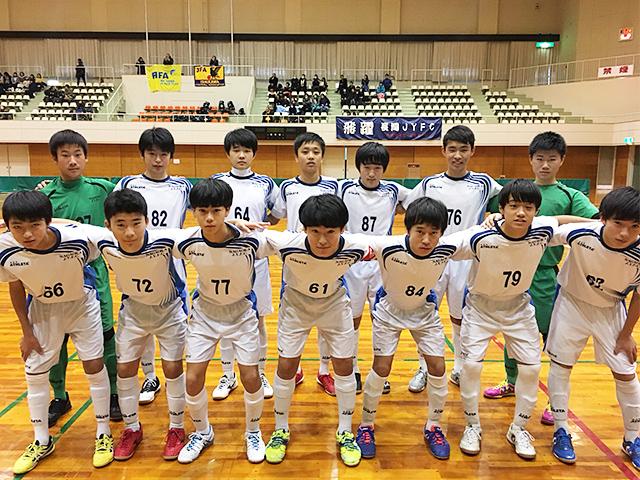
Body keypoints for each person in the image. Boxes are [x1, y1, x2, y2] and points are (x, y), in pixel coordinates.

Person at [449, 179, 585, 459]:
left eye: (528, 207)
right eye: (513, 206)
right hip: (480, 308)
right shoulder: (479, 235)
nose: (521, 212)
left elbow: (566, 223)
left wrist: (604, 224)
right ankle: (472, 426)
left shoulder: (542, 229)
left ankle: (518, 428)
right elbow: (442, 245)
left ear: (536, 211)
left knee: (532, 369)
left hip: (519, 308)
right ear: (501, 209)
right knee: (470, 367)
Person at [482, 132, 599, 425]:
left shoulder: (570, 196)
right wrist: (490, 218)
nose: (545, 164)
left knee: (551, 336)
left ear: (561, 160)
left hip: (546, 275)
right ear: (531, 159)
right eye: (540, 158)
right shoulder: (516, 191)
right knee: (512, 330)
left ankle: (554, 398)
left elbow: (597, 222)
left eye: (551, 159)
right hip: (512, 274)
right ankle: (511, 381)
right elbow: (494, 217)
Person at [2, 191, 114, 474]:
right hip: (42, 310)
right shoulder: (6, 248)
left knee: (94, 365)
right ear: (8, 226)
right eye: (17, 227)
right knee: (34, 372)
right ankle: (42, 440)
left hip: (82, 305)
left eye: (35, 225)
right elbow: (15, 287)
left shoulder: (79, 238)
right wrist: (26, 332)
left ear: (48, 221)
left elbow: (115, 235)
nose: (27, 234)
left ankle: (103, 432)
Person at [263, 194, 374, 467]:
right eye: (315, 232)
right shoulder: (286, 243)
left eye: (330, 232)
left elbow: (395, 244)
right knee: (286, 366)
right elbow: (242, 236)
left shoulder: (356, 246)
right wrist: (233, 222)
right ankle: (280, 429)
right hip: (295, 307)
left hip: (334, 306)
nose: (322, 240)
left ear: (342, 229)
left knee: (344, 366)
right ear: (303, 229)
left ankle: (345, 431)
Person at [79, 189, 188, 462]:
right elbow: (69, 226)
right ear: (108, 225)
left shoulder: (166, 240)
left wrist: (235, 224)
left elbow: (205, 233)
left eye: (136, 223)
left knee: (172, 368)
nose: (129, 232)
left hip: (169, 311)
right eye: (121, 224)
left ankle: (176, 428)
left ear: (146, 221)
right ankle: (132, 429)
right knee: (125, 369)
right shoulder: (104, 241)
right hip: (133, 312)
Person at [545, 187, 640, 470]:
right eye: (618, 223)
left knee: (626, 374)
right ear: (603, 219)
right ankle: (561, 430)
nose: (625, 233)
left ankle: (633, 438)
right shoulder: (582, 233)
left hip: (610, 309)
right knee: (561, 367)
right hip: (571, 304)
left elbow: (639, 295)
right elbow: (550, 226)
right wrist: (496, 220)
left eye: (635, 226)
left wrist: (626, 334)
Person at [173, 178, 266, 464]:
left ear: (227, 209)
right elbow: (146, 236)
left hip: (241, 313)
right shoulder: (186, 240)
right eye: (202, 211)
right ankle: (202, 432)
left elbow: (292, 241)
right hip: (205, 314)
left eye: (216, 210)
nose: (209, 218)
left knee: (251, 377)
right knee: (192, 378)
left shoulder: (251, 239)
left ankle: (253, 431)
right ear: (193, 212)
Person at [404, 125, 501, 392]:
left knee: (460, 317)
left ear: (472, 151)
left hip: (466, 259)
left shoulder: (485, 183)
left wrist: (496, 214)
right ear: (443, 151)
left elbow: (507, 201)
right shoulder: (429, 183)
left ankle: (458, 367)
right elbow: (409, 209)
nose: (457, 155)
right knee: (424, 312)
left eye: (463, 150)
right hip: (432, 256)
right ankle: (424, 367)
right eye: (452, 149)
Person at [355, 197, 453, 460]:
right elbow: (350, 240)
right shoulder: (387, 246)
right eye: (420, 231)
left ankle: (433, 426)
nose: (426, 239)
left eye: (433, 233)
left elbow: (480, 236)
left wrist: (495, 219)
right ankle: (366, 424)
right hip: (389, 311)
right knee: (382, 367)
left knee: (438, 367)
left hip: (424, 311)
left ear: (441, 233)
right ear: (408, 229)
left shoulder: (447, 247)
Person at [40, 130, 121, 427]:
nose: (72, 161)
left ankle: (113, 393)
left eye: (78, 154)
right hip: (56, 276)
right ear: (55, 159)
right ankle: (60, 396)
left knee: (106, 335)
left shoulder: (103, 189)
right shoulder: (45, 196)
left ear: (86, 157)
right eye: (65, 155)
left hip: (95, 275)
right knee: (56, 339)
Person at [114, 127, 192, 406]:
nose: (158, 160)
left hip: (172, 268)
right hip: (135, 264)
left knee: (171, 329)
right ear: (142, 154)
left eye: (163, 154)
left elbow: (208, 208)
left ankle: (173, 384)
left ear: (171, 156)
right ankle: (149, 376)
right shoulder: (128, 184)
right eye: (151, 154)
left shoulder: (183, 187)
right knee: (141, 326)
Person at [210, 128, 280, 401]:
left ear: (254, 153)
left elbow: (276, 213)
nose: (241, 155)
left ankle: (260, 373)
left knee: (259, 318)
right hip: (223, 259)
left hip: (256, 260)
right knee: (226, 317)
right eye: (236, 150)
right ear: (228, 153)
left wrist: (259, 228)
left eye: (247, 150)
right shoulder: (217, 181)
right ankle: (228, 375)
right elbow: (208, 214)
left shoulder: (266, 183)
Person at [270, 133, 339, 395]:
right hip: (295, 262)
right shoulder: (287, 187)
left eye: (316, 152)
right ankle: (295, 368)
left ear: (322, 156)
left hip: (327, 260)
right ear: (296, 156)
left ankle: (324, 371)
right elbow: (275, 217)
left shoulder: (334, 186)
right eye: (305, 151)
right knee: (291, 317)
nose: (311, 156)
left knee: (326, 318)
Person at [339, 142, 410, 394]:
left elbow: (414, 202)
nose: (371, 173)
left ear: (384, 169)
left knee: (380, 318)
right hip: (353, 264)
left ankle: (379, 373)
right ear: (358, 167)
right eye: (366, 167)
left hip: (382, 264)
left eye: (377, 168)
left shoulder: (393, 190)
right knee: (352, 319)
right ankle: (353, 369)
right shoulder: (344, 188)